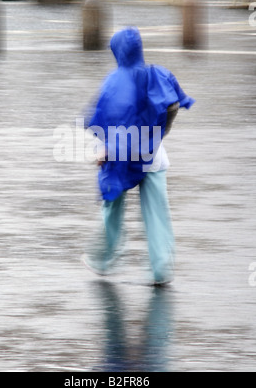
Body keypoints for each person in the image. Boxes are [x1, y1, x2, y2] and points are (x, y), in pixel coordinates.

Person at [82, 27, 195, 286]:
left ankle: (103, 260)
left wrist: (105, 149)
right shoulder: (158, 75)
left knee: (112, 208)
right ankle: (161, 268)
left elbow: (107, 120)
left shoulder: (113, 82)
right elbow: (173, 105)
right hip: (153, 157)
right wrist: (156, 137)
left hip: (120, 158)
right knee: (157, 213)